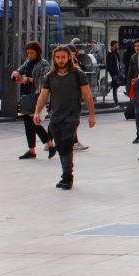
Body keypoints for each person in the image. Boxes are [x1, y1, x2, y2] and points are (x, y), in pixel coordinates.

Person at [33, 46, 96, 190]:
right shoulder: (50, 76)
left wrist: (92, 115)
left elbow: (87, 95)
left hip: (72, 117)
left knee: (67, 144)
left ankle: (68, 177)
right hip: (55, 117)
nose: (60, 60)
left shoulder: (78, 74)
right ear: (54, 59)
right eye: (57, 57)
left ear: (69, 57)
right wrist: (37, 112)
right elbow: (43, 95)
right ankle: (65, 174)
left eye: (63, 57)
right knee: (60, 147)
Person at [11, 41, 56, 159]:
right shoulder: (28, 62)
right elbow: (21, 69)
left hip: (38, 96)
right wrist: (16, 73)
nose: (29, 55)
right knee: (27, 122)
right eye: (28, 53)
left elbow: (43, 82)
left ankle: (50, 145)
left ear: (38, 52)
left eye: (32, 53)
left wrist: (28, 80)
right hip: (27, 95)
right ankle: (32, 150)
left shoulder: (44, 64)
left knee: (33, 122)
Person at [125, 39, 139, 144]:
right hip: (137, 88)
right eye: (135, 46)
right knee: (137, 112)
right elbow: (130, 74)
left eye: (138, 46)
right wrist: (128, 89)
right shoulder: (133, 58)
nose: (136, 48)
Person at [105, 40, 124, 107]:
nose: (118, 46)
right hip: (114, 73)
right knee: (116, 86)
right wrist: (113, 75)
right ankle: (116, 101)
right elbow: (110, 65)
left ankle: (110, 86)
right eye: (117, 45)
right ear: (113, 45)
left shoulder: (115, 53)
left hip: (117, 72)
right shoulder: (110, 54)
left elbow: (117, 62)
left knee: (117, 85)